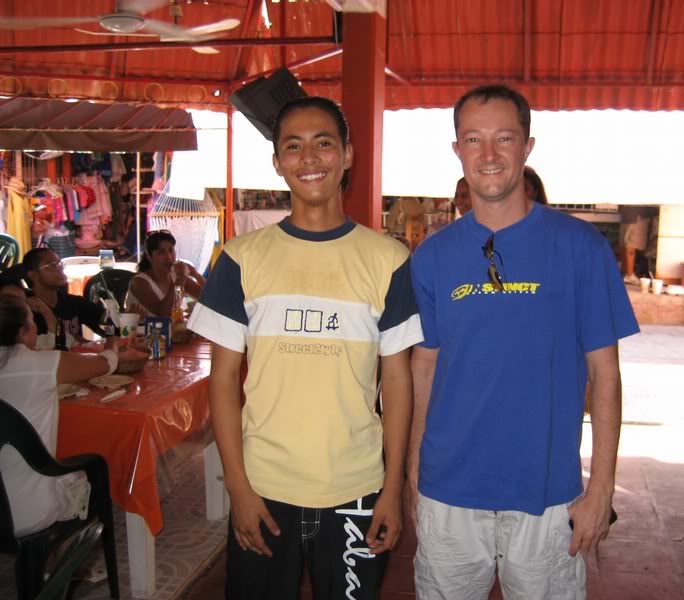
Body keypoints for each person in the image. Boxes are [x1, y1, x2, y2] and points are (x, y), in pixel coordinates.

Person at [408, 85, 639, 599]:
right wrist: (412, 473)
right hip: (449, 495)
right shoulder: (431, 257)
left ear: (527, 146)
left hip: (547, 494)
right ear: (457, 150)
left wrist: (600, 486)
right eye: (473, 139)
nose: (489, 155)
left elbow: (606, 375)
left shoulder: (581, 249)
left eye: (504, 138)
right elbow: (423, 369)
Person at [187, 96, 422, 599]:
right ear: (277, 161)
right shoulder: (240, 258)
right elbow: (224, 380)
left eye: (323, 143)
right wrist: (238, 487)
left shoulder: (387, 259)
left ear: (348, 155)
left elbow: (397, 380)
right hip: (264, 490)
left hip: (357, 488)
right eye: (293, 146)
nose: (309, 159)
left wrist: (393, 488)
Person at [0, 294, 119, 535]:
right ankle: (60, 561)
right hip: (27, 511)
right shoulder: (42, 364)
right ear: (23, 332)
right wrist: (113, 343)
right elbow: (105, 364)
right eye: (33, 321)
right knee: (86, 470)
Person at [22, 247, 106, 347]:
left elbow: (107, 324)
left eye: (60, 263)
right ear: (33, 275)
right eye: (52, 265)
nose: (60, 268)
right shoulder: (26, 311)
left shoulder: (73, 303)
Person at [126, 230, 205, 318]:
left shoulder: (177, 276)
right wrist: (180, 277)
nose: (168, 257)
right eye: (161, 252)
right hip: (142, 331)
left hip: (171, 331)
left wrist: (196, 275)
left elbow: (209, 299)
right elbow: (163, 313)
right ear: (149, 257)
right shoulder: (139, 282)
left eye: (171, 250)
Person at [0, 275, 61, 350]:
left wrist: (46, 311)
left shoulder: (29, 339)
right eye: (9, 301)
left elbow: (58, 342)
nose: (18, 307)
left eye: (22, 301)